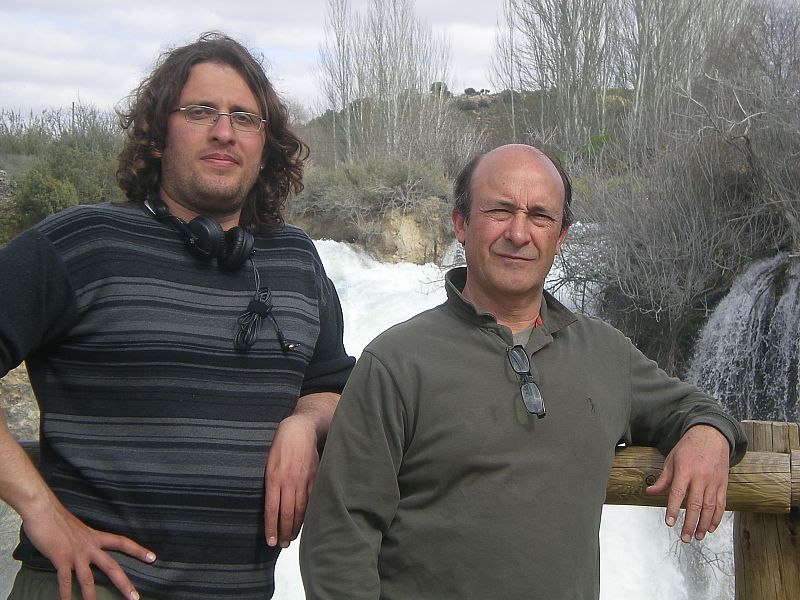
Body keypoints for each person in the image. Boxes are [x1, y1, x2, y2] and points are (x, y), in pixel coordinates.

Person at [299, 144, 748, 600]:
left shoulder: (607, 354)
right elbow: (340, 542)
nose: (519, 233)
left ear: (562, 235)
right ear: (460, 223)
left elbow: (694, 408)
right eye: (499, 210)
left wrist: (710, 434)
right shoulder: (394, 362)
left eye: (540, 216)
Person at [0, 32, 354, 600]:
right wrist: (41, 512)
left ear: (266, 145)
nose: (224, 130)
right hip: (93, 588)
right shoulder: (82, 243)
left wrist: (305, 423)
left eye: (245, 116)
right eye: (200, 111)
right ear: (159, 133)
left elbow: (333, 386)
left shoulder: (295, 258)